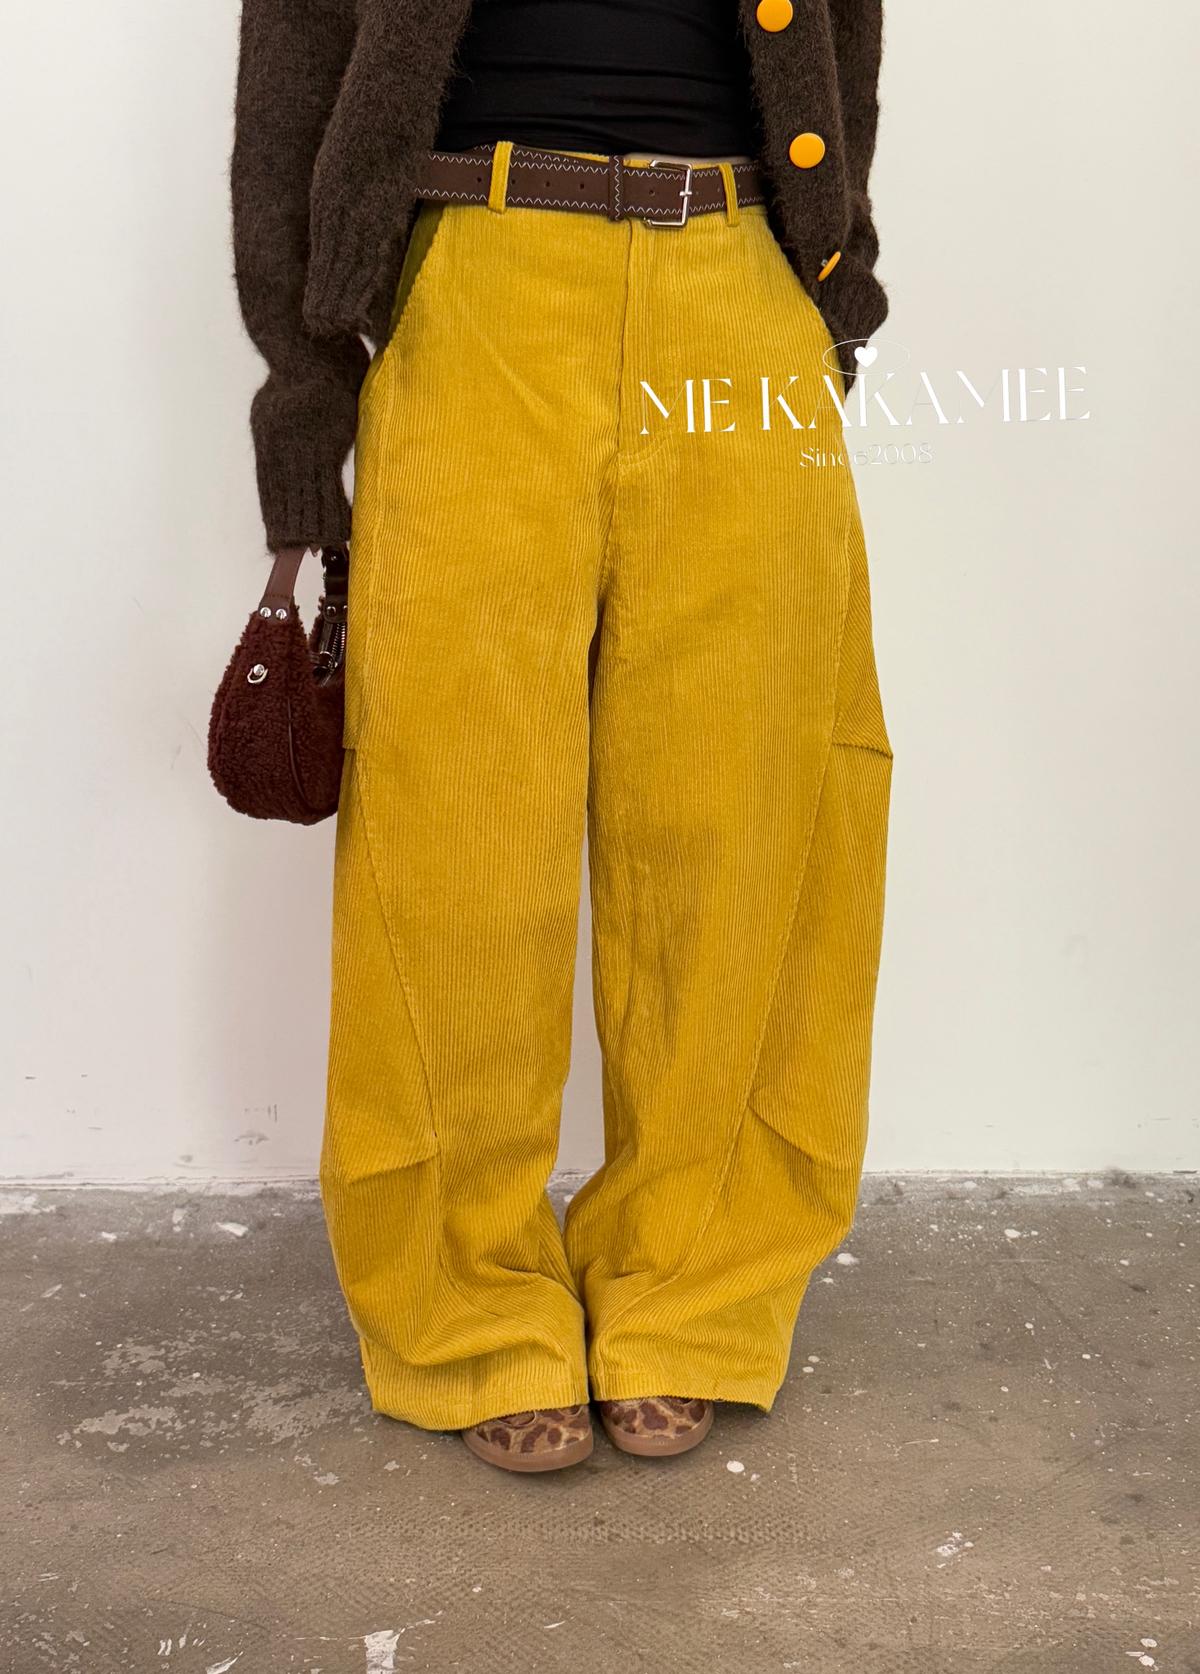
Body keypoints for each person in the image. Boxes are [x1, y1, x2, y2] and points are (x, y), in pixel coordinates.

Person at [230, 0, 893, 1473]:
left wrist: (828, 294)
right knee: (455, 835)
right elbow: (293, 80)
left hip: (738, 290)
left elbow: (843, 50)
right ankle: (468, 1305)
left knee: (745, 813)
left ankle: (693, 1294)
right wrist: (306, 399)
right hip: (478, 281)